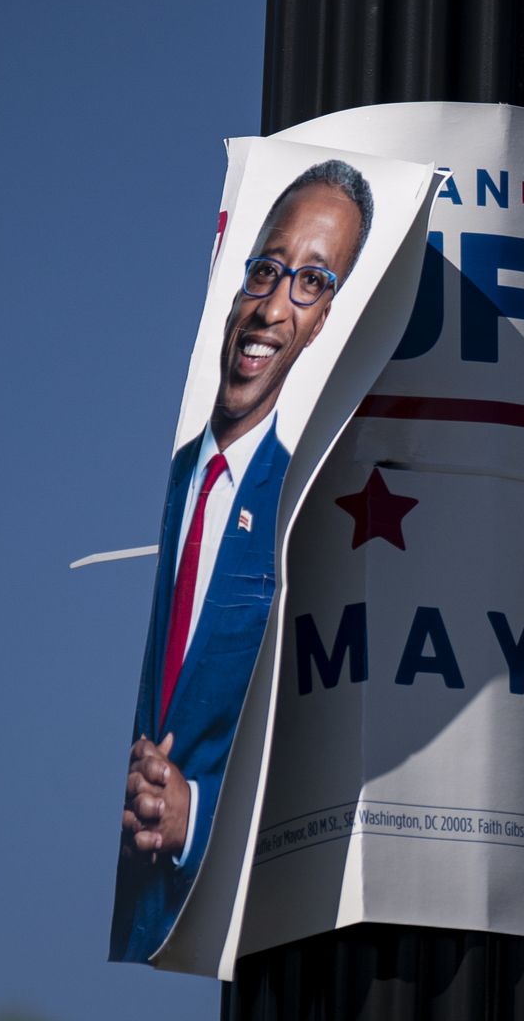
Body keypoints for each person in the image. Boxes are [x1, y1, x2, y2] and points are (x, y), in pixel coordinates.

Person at [110, 159, 374, 964]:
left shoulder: (309, 515)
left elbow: (330, 767)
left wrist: (198, 812)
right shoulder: (156, 475)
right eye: (266, 268)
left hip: (230, 931)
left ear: (330, 318)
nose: (271, 303)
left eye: (309, 282)